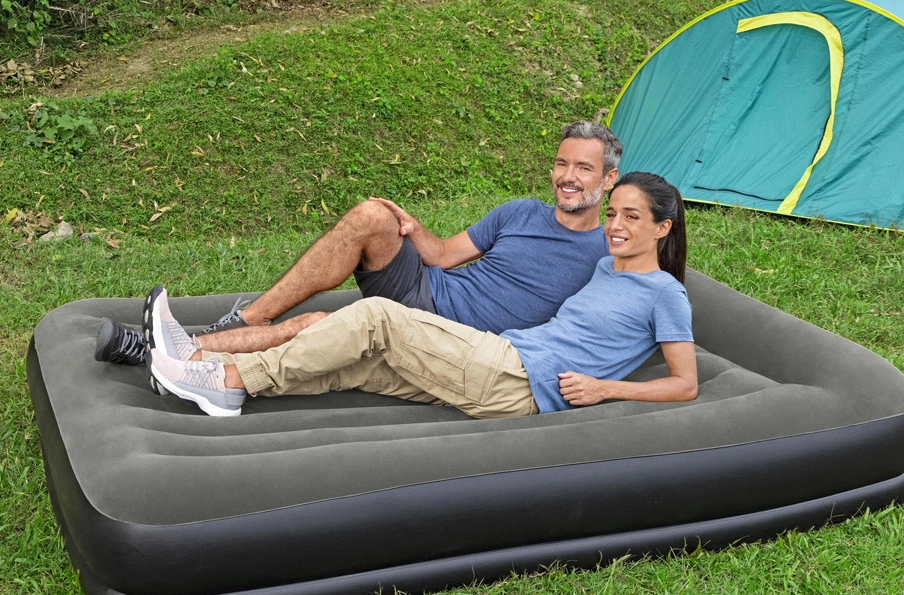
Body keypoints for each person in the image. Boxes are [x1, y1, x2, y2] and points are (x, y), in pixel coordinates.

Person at [144, 172, 698, 418]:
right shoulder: (604, 266)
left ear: (662, 228)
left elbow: (686, 384)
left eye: (632, 217)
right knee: (352, 363)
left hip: (518, 379)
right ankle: (205, 365)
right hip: (502, 363)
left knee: (376, 318)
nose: (616, 225)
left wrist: (604, 389)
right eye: (614, 214)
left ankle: (231, 381)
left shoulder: (666, 294)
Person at [94, 121, 623, 366]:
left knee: (319, 326)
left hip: (448, 336)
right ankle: (249, 317)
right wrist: (413, 229)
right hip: (426, 287)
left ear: (609, 179)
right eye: (561, 163)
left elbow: (611, 317)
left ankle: (165, 351)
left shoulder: (609, 254)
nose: (567, 177)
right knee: (373, 215)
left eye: (583, 168)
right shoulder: (520, 212)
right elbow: (443, 255)